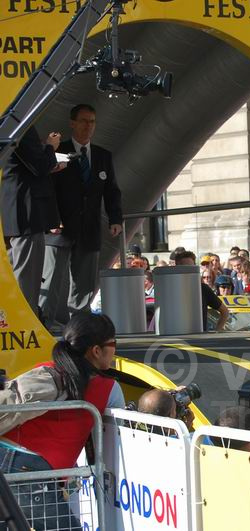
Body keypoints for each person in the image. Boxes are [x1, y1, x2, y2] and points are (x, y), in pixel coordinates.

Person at [0, 313, 124, 528]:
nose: (115, 349)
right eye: (114, 342)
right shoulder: (108, 387)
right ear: (96, 350)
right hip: (30, 471)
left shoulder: (48, 371)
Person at [40, 104, 123, 327]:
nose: (89, 126)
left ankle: (80, 327)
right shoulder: (59, 151)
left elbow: (111, 190)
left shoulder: (103, 156)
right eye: (84, 121)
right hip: (59, 228)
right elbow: (48, 188)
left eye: (92, 121)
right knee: (52, 280)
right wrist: (52, 218)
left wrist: (115, 219)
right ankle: (47, 324)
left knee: (84, 283)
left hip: (89, 228)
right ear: (73, 123)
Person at [2, 125, 62, 313]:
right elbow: (39, 165)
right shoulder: (20, 125)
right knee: (27, 276)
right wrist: (51, 147)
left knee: (15, 272)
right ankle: (26, 322)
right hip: (26, 211)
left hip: (11, 208)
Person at [173, 250, 229, 331]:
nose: (189, 270)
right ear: (176, 267)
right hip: (176, 339)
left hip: (200, 340)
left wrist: (217, 332)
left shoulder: (203, 289)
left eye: (191, 267)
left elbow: (225, 312)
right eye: (185, 267)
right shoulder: (169, 290)